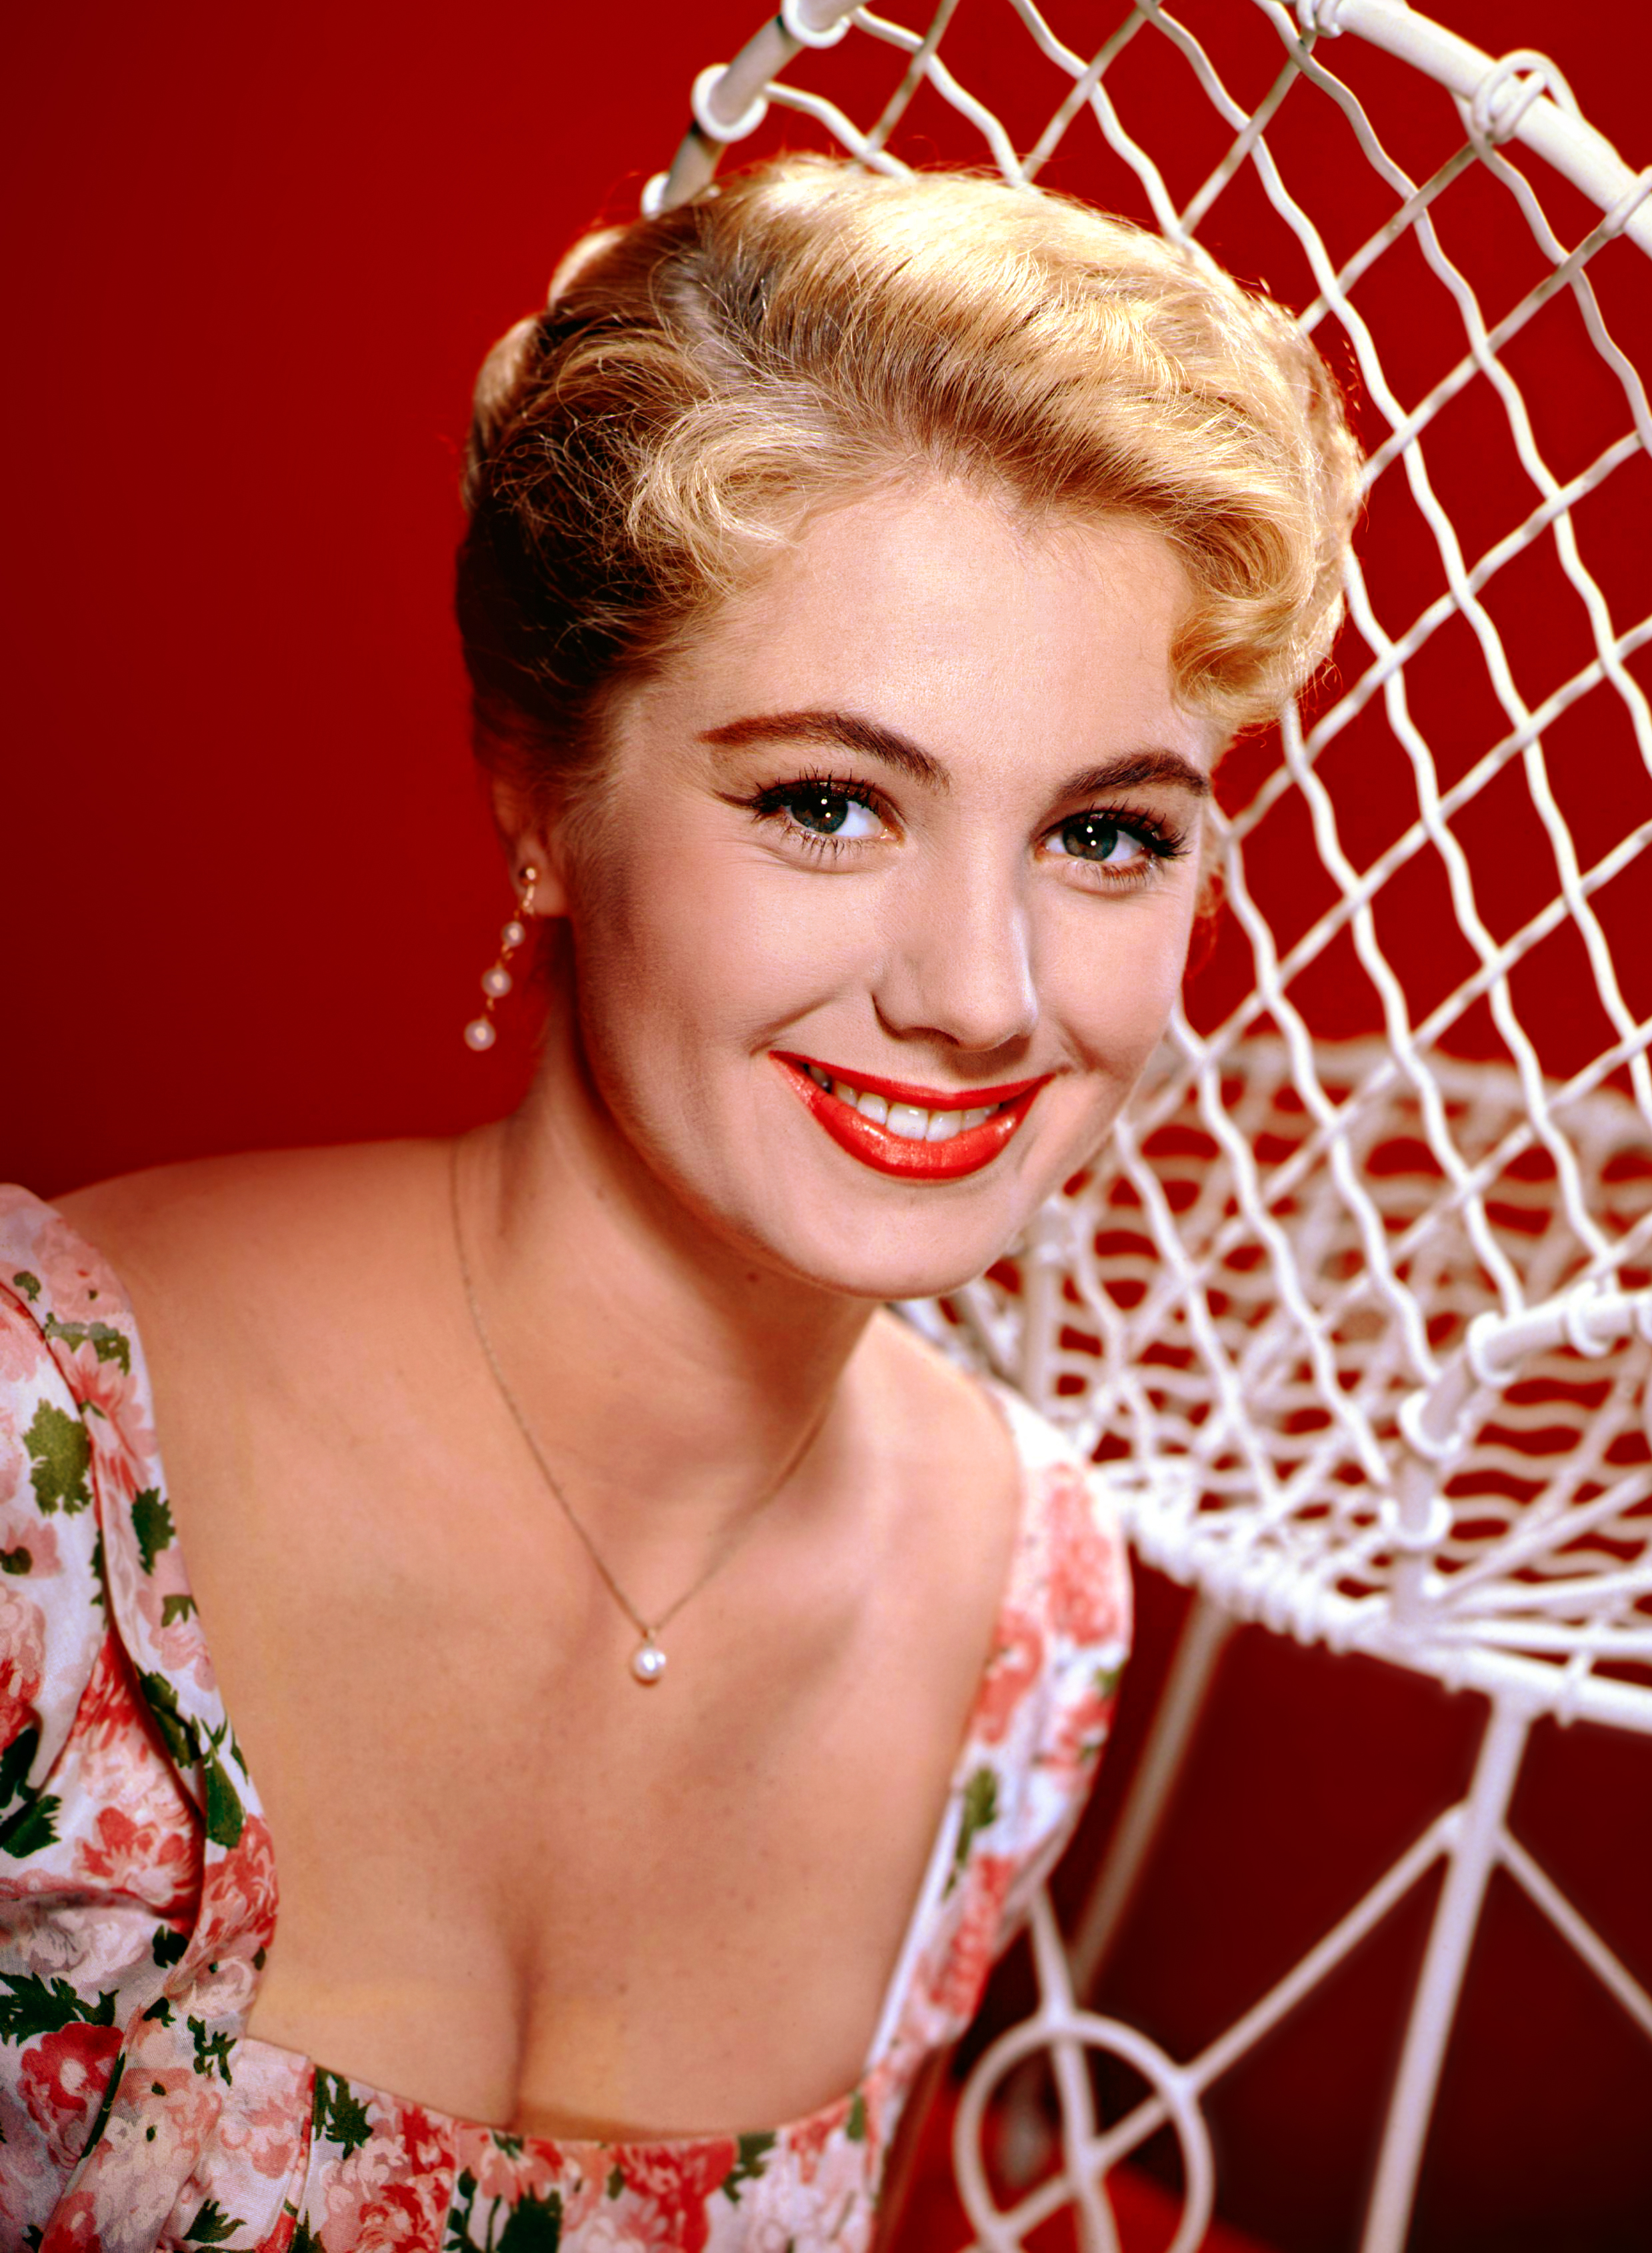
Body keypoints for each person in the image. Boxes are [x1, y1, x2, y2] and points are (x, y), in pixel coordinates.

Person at [0, 153, 1357, 2251]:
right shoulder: (46, 1467)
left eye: (1105, 834)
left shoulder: (1032, 1609)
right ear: (540, 798)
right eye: (826, 802)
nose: (982, 995)